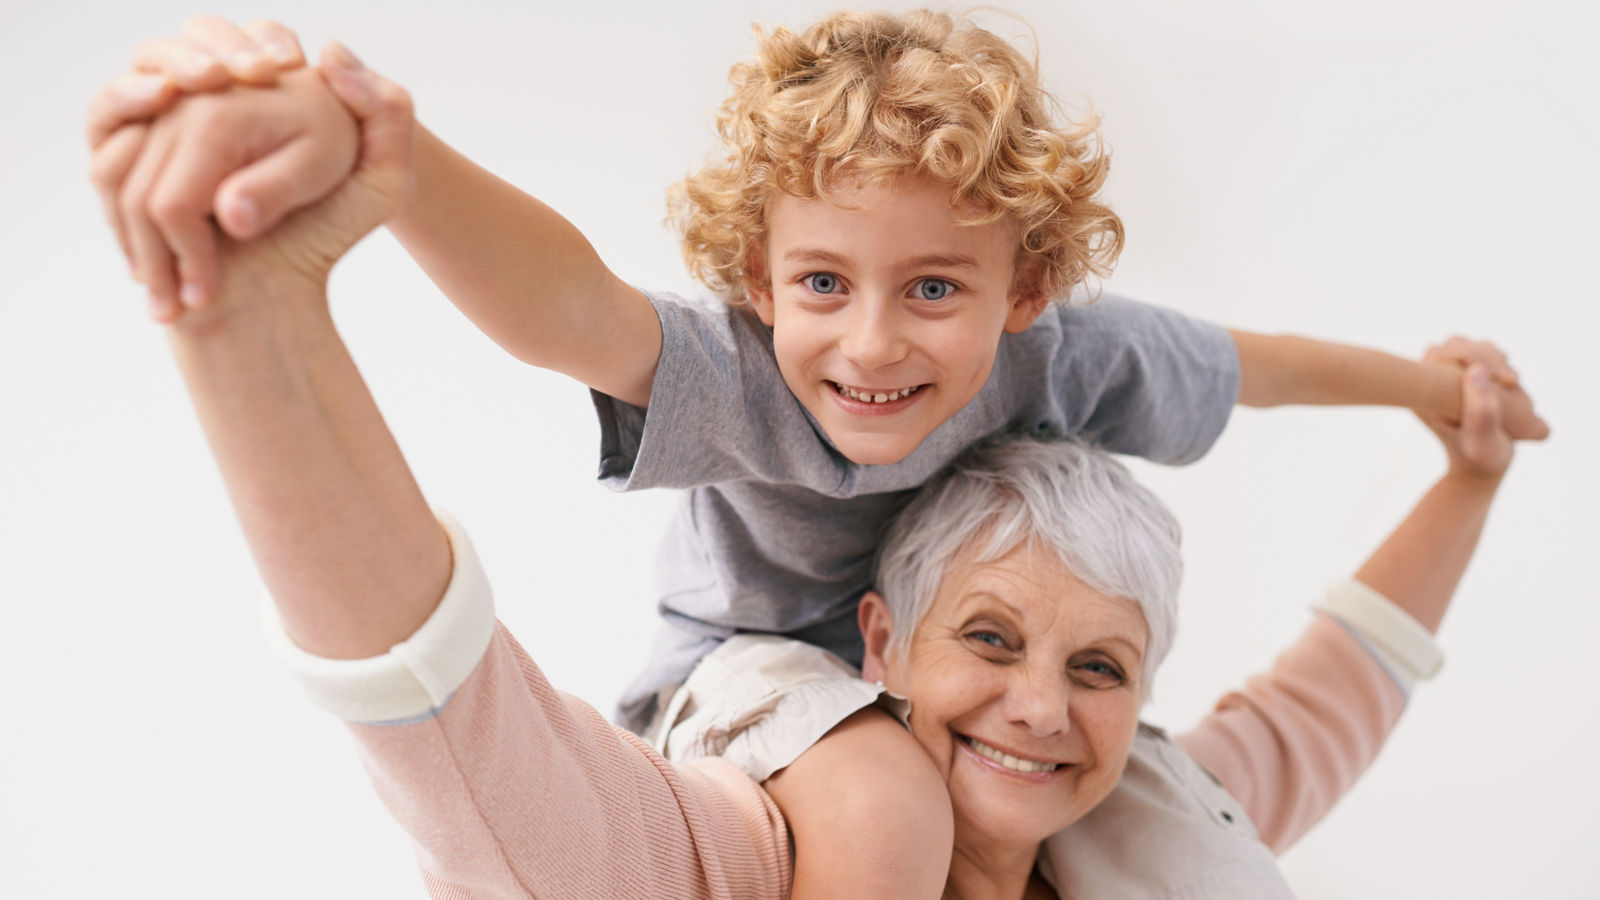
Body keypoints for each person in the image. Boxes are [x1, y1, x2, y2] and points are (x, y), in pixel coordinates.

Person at [86, 13, 1547, 898]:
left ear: (1022, 293)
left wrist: (1439, 402)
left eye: (933, 289)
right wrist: (390, 169)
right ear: (759, 281)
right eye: (822, 287)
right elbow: (568, 309)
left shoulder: (1070, 363)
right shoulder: (747, 383)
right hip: (741, 680)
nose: (868, 350)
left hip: (895, 691)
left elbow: (1245, 376)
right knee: (875, 800)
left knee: (1202, 841)